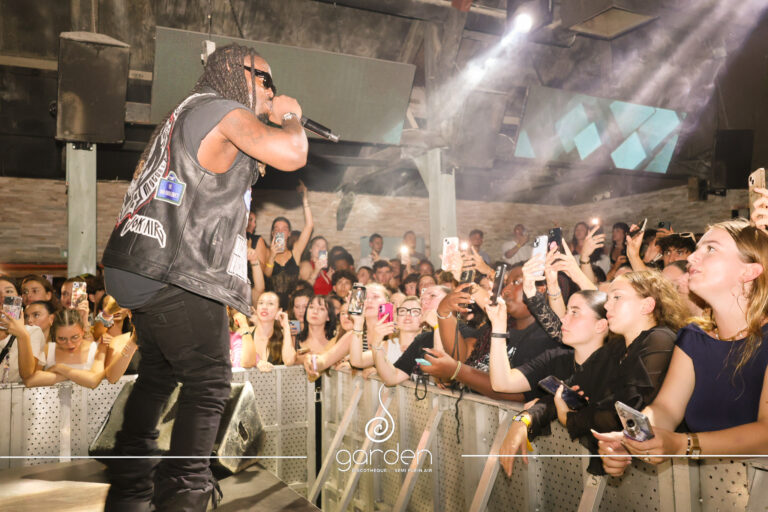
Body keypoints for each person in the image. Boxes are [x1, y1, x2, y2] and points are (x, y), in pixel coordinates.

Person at [100, 44, 308, 510]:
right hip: (178, 270)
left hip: (139, 267)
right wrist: (290, 116)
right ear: (236, 73)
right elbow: (292, 153)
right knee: (210, 382)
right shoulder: (224, 109)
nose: (271, 90)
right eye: (265, 80)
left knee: (157, 375)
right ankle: (184, 492)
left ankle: (129, 487)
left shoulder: (184, 114)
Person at [596, 219, 768, 475]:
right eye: (697, 249)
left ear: (749, 271)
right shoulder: (693, 338)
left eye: (711, 249)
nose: (692, 258)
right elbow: (666, 409)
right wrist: (633, 439)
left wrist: (683, 444)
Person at [18, 308, 107, 389]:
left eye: (75, 337)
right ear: (54, 335)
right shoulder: (48, 349)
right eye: (62, 339)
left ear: (83, 331)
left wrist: (59, 368)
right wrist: (80, 377)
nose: (69, 344)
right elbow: (30, 381)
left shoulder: (98, 349)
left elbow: (93, 381)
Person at [264, 181, 314, 309]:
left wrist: (305, 200)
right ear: (272, 233)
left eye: (284, 229)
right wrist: (272, 256)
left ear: (289, 233)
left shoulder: (295, 252)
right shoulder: (266, 251)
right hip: (271, 306)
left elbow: (309, 226)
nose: (280, 231)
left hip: (292, 307)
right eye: (277, 229)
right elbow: (266, 276)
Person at [245, 291, 296, 371]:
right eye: (261, 303)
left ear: (279, 311)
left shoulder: (285, 336)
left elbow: (289, 361)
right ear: (256, 308)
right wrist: (256, 362)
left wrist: (286, 327)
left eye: (270, 304)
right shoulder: (245, 333)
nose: (264, 307)